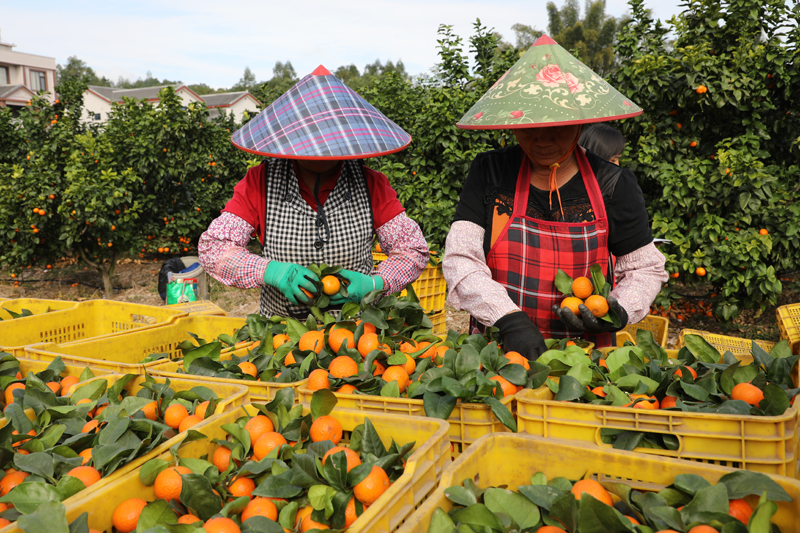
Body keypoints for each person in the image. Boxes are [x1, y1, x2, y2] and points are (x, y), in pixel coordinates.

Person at [443, 36, 668, 360]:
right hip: (499, 357)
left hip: (584, 362)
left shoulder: (613, 184)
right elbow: (460, 259)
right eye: (530, 128)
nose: (543, 140)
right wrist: (508, 318)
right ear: (514, 122)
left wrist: (618, 309)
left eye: (558, 128)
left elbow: (644, 269)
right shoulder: (490, 172)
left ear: (579, 124)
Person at [199, 65, 429, 318]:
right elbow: (215, 248)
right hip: (282, 335)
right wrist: (271, 272)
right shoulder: (260, 181)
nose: (320, 153)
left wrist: (376, 283)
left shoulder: (370, 183)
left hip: (358, 334)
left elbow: (412, 250)